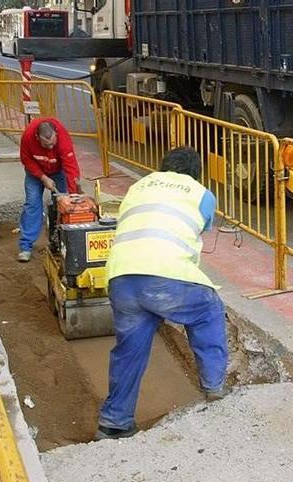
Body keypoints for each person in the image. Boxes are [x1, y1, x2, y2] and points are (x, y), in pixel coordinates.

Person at [97, 148, 228, 440]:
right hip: (165, 275)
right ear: (196, 173)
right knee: (208, 312)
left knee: (129, 350)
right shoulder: (201, 193)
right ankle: (214, 387)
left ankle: (114, 422)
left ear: (162, 166)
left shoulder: (138, 186)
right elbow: (202, 226)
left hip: (121, 277)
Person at [17, 117, 81, 262]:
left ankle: (59, 241)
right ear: (37, 138)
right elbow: (26, 159)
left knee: (63, 204)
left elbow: (70, 167)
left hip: (58, 172)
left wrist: (73, 195)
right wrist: (43, 177)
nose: (50, 148)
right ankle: (26, 246)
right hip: (35, 172)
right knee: (32, 204)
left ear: (56, 135)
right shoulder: (28, 137)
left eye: (53, 144)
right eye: (46, 145)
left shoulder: (63, 138)